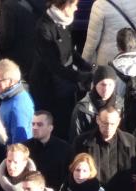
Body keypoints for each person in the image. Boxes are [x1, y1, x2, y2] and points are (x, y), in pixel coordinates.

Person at [28, 0, 91, 138]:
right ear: (64, 5)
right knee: (55, 125)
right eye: (73, 4)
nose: (76, 8)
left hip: (64, 82)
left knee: (66, 120)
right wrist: (81, 76)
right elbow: (54, 66)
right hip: (48, 86)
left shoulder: (65, 21)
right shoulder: (44, 28)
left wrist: (84, 65)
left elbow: (69, 50)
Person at [82, 0, 136, 66]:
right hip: (133, 52)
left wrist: (84, 61)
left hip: (108, 58)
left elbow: (92, 41)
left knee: (109, 75)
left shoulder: (100, 4)